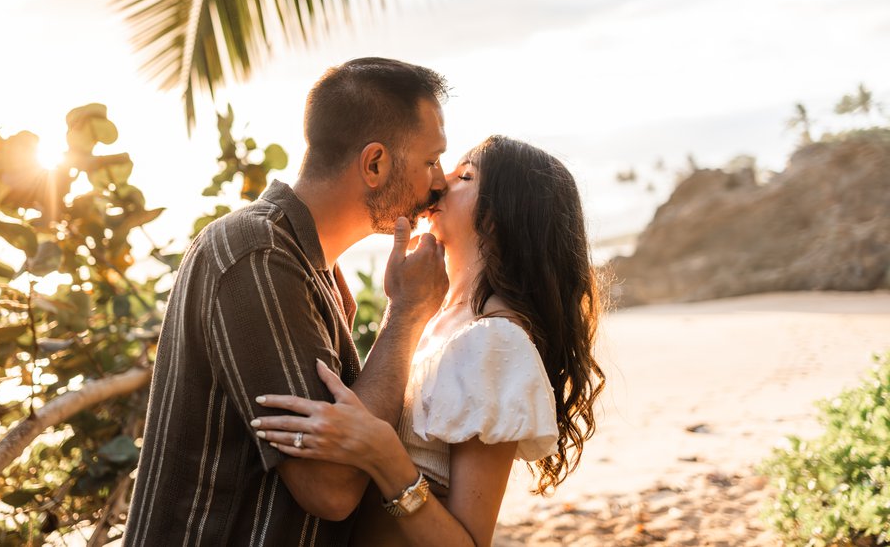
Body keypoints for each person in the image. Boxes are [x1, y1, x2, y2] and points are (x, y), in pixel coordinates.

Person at [123, 57, 452, 546]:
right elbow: (329, 488)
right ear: (375, 163)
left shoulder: (307, 265)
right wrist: (406, 312)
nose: (440, 181)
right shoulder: (257, 255)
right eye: (431, 161)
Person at [253, 135, 606, 546]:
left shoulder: (493, 342)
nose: (439, 183)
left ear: (497, 216)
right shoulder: (440, 319)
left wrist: (385, 457)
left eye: (465, 176)